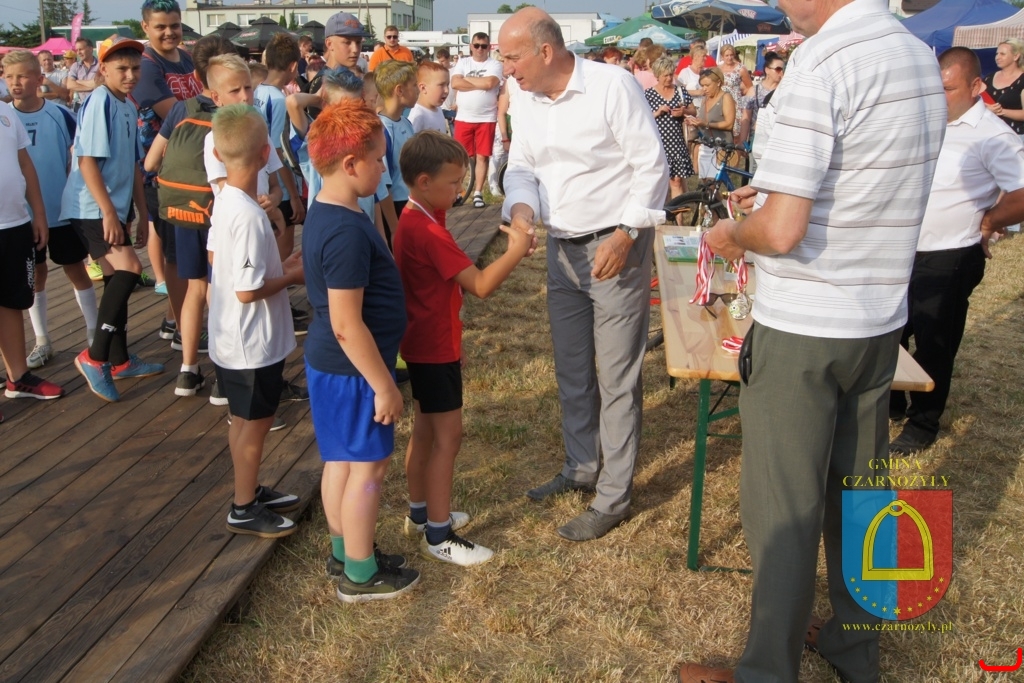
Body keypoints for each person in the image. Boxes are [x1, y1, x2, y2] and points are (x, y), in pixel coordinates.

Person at [678, 0, 946, 679]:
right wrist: (772, 198)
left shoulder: (822, 60)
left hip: (806, 319)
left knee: (784, 507)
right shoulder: (914, 52)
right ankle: (856, 647)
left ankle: (767, 670)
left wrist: (730, 233)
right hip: (876, 315)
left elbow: (781, 231)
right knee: (861, 494)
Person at [500, 8, 669, 541]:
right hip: (562, 250)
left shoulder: (612, 86)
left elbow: (651, 165)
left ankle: (613, 497)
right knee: (573, 370)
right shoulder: (525, 98)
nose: (507, 69)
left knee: (616, 377)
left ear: (545, 51)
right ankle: (581, 466)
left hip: (616, 246)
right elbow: (521, 167)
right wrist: (521, 210)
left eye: (512, 57)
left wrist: (627, 233)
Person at [395, 130, 532, 566]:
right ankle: (439, 534)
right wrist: (516, 250)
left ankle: (420, 514)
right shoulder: (429, 230)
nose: (460, 189)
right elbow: (481, 284)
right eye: (454, 182)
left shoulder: (418, 216)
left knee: (425, 430)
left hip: (426, 342)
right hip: (433, 347)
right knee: (448, 437)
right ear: (423, 182)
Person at [302, 99, 419, 602]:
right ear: (351, 164)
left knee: (340, 462)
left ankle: (345, 550)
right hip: (354, 373)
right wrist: (383, 385)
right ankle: (360, 573)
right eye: (378, 161)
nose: (384, 170)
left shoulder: (329, 208)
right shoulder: (346, 232)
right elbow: (348, 325)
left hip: (331, 366)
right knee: (368, 468)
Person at [890, 48, 1024, 455]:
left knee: (934, 341)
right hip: (902, 249)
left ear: (976, 86)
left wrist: (990, 221)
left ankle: (923, 422)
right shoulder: (926, 121)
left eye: (947, 89)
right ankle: (891, 402)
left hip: (948, 255)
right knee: (889, 332)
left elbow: (1021, 192)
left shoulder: (991, 135)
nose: (938, 96)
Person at [207, 103, 303, 538]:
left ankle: (249, 489)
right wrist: (293, 276)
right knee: (255, 423)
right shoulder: (247, 214)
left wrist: (284, 264)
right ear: (266, 154)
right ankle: (243, 506)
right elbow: (248, 290)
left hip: (234, 336)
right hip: (250, 342)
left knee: (244, 421)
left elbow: (228, 265)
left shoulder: (228, 202)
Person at [63, 37, 166, 403]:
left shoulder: (127, 103)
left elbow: (135, 166)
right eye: (121, 69)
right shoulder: (100, 101)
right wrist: (108, 211)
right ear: (103, 69)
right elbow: (87, 161)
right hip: (91, 207)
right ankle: (94, 357)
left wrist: (139, 212)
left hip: (112, 207)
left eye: (135, 68)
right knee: (129, 270)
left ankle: (119, 360)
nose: (130, 75)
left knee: (114, 278)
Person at [143, 40, 247, 398]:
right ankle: (223, 377)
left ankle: (188, 371)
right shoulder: (236, 119)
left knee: (195, 290)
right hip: (219, 214)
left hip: (183, 212)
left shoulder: (180, 108)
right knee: (220, 293)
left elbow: (150, 162)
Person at [3, 51, 97, 370]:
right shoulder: (5, 117)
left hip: (60, 212)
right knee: (36, 277)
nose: (15, 82)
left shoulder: (60, 114)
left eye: (22, 75)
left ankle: (94, 334)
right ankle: (42, 341)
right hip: (23, 218)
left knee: (75, 269)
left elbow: (81, 157)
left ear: (40, 79)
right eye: (9, 76)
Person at [0, 95, 65, 415]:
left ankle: (18, 378)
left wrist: (38, 213)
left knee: (12, 302)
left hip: (15, 223)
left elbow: (24, 163)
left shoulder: (5, 111)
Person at [253, 32, 306, 262]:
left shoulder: (257, 91)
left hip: (262, 180)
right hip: (280, 187)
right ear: (293, 66)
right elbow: (279, 151)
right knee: (282, 251)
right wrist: (293, 196)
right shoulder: (278, 100)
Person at [450, 32, 503, 209]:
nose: (480, 49)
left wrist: (467, 81)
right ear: (471, 46)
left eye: (484, 46)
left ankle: (478, 192)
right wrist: (479, 82)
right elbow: (455, 83)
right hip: (464, 117)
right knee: (462, 158)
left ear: (489, 47)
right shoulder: (463, 62)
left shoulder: (495, 64)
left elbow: (490, 83)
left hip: (486, 118)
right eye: (477, 45)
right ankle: (459, 192)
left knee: (482, 156)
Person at [375, 59, 419, 249]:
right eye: (414, 85)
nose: (418, 90)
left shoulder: (406, 122)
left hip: (410, 202)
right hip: (395, 207)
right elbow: (382, 184)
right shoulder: (382, 129)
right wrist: (394, 228)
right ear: (399, 90)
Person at [644, 56, 695, 200]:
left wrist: (683, 111)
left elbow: (693, 111)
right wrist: (657, 112)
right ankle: (665, 208)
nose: (669, 78)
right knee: (659, 182)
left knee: (676, 181)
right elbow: (642, 118)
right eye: (665, 75)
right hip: (657, 142)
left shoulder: (680, 91)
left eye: (671, 75)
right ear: (657, 76)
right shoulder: (648, 94)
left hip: (676, 142)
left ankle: (678, 213)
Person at [684, 67, 734, 180]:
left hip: (721, 147)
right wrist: (694, 121)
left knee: (713, 183)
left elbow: (729, 124)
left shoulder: (726, 97)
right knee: (706, 184)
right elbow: (703, 120)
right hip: (706, 145)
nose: (704, 89)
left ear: (718, 82)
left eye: (707, 85)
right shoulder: (705, 99)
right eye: (702, 86)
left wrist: (706, 124)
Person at [983, 38, 1024, 138]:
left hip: (1016, 135)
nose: (997, 57)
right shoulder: (988, 78)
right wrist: (984, 107)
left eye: (1002, 54)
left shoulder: (1022, 80)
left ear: (1016, 56)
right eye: (997, 54)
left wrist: (1000, 111)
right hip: (990, 134)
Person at [718, 44, 753, 143]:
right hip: (721, 101)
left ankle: (736, 150)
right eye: (727, 55)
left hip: (735, 102)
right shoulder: (718, 69)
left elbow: (750, 87)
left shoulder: (740, 68)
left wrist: (745, 99)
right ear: (722, 56)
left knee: (735, 132)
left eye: (731, 55)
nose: (729, 58)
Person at [408, 61, 450, 134]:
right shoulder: (418, 116)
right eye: (441, 85)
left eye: (447, 85)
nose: (447, 90)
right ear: (423, 88)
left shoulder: (438, 108)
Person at [66, 38, 99, 111]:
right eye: (77, 50)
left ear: (90, 49)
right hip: (80, 106)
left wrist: (78, 81)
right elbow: (70, 85)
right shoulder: (75, 66)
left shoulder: (101, 65)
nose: (78, 53)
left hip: (97, 105)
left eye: (81, 49)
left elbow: (99, 83)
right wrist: (91, 87)